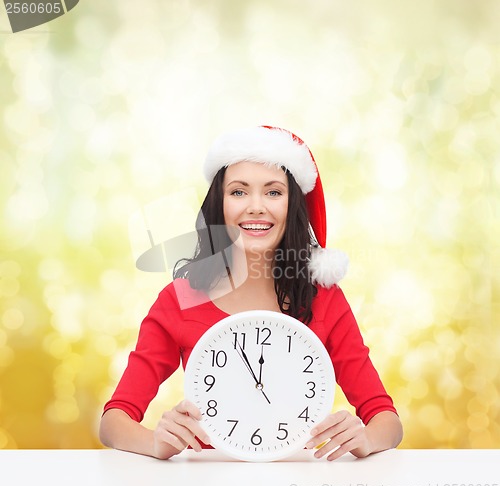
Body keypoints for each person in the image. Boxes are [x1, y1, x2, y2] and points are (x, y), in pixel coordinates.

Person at [99, 126, 403, 461]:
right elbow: (114, 421)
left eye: (273, 193)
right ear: (220, 205)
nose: (256, 207)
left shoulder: (325, 299)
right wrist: (155, 443)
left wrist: (365, 438)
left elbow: (386, 420)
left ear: (293, 206)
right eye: (239, 192)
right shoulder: (178, 300)